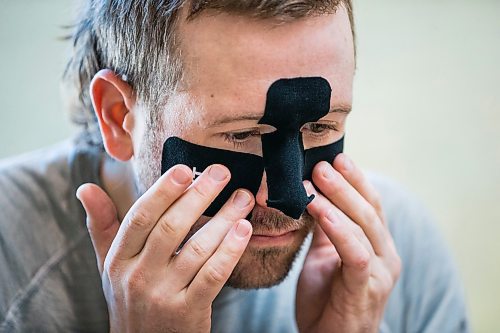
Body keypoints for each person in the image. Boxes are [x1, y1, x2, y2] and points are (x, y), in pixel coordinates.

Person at [0, 0, 470, 332]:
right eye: (241, 134)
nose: (289, 196)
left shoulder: (390, 256)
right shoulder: (10, 259)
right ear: (120, 118)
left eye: (321, 127)